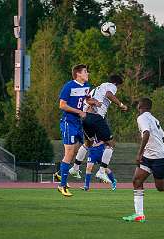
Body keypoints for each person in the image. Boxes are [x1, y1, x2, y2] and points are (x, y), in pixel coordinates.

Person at [68, 75, 127, 183]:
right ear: (116, 84)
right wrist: (121, 104)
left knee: (88, 143)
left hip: (85, 117)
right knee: (110, 144)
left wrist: (95, 102)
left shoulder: (96, 89)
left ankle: (75, 168)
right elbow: (109, 94)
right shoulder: (111, 86)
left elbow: (87, 100)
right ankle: (101, 170)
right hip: (96, 117)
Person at [55, 64, 100, 197]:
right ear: (78, 74)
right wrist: (79, 112)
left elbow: (85, 99)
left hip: (78, 123)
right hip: (68, 123)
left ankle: (59, 174)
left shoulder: (86, 86)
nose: (88, 74)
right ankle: (62, 186)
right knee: (69, 153)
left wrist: (93, 102)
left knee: (75, 152)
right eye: (85, 72)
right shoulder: (69, 86)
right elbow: (62, 105)